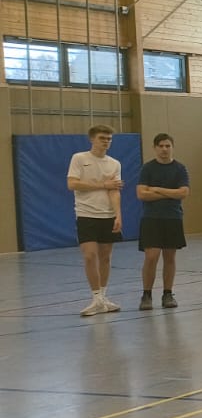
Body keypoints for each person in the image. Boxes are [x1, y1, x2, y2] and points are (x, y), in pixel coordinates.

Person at [67, 124, 122, 316]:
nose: (106, 142)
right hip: (86, 214)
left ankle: (103, 298)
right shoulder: (79, 158)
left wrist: (118, 214)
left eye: (109, 139)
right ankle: (96, 297)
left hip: (107, 215)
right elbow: (72, 184)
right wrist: (103, 184)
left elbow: (114, 190)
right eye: (102, 138)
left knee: (105, 257)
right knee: (90, 255)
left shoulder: (114, 164)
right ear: (92, 139)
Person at [135, 133, 189, 310]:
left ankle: (168, 293)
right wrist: (170, 193)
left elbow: (183, 193)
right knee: (151, 257)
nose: (164, 149)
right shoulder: (147, 168)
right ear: (155, 148)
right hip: (151, 218)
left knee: (169, 257)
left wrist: (157, 189)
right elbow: (142, 194)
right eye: (161, 146)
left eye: (168, 146)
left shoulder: (180, 169)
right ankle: (146, 294)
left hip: (173, 217)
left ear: (172, 147)